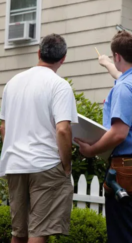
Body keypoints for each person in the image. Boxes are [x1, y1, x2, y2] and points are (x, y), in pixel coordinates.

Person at [74, 30, 132, 243]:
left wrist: (91, 150)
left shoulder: (125, 88)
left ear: (118, 56)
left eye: (113, 58)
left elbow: (119, 133)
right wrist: (106, 64)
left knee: (125, 236)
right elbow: (122, 76)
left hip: (127, 173)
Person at [0, 34, 78, 243]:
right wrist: (66, 165)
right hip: (45, 165)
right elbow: (62, 129)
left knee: (19, 232)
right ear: (63, 59)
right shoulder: (59, 85)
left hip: (15, 164)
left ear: (38, 53)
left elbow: (3, 127)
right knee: (38, 231)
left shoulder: (12, 83)